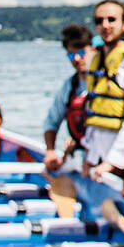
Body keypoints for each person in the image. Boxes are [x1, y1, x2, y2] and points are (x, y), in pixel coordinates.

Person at [80, 0, 124, 181]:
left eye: (111, 19)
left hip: (122, 158)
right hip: (98, 156)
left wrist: (114, 160)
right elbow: (92, 109)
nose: (105, 25)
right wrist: (90, 156)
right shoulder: (95, 60)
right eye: (99, 21)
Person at [42, 22, 93, 172]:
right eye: (71, 54)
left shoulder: (105, 82)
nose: (76, 59)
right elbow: (51, 121)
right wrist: (50, 151)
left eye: (82, 52)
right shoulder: (69, 87)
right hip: (80, 157)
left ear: (93, 50)